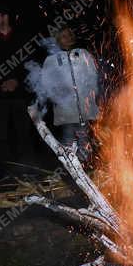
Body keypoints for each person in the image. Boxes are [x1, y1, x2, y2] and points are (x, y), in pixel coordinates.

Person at [31, 26, 100, 164]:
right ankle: (70, 171)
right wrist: (58, 94)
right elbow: (46, 83)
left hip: (84, 109)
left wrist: (91, 95)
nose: (68, 38)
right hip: (65, 110)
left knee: (84, 140)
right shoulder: (52, 60)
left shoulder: (83, 54)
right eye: (63, 36)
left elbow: (93, 77)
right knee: (67, 142)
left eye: (69, 35)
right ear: (57, 40)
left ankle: (85, 170)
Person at [0, 3, 36, 177]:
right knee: (0, 136)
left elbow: (31, 64)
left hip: (20, 96)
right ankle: (3, 174)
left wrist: (17, 81)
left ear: (5, 16)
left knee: (24, 134)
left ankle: (28, 171)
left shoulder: (23, 37)